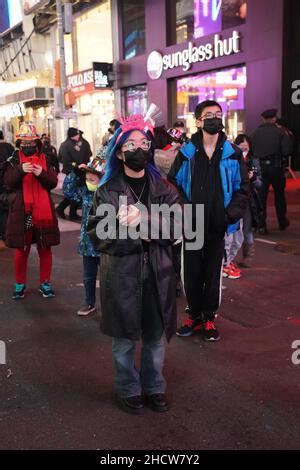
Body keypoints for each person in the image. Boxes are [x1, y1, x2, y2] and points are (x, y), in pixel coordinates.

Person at [87, 113, 179, 414]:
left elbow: (179, 226)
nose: (138, 148)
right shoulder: (106, 190)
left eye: (143, 143)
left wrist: (144, 220)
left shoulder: (164, 188)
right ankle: (128, 388)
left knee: (155, 337)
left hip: (159, 274)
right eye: (130, 144)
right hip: (122, 277)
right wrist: (126, 228)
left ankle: (154, 386)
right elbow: (97, 236)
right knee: (124, 340)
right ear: (119, 150)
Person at [168, 100, 249, 341]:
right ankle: (193, 315)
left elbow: (242, 188)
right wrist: (184, 210)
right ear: (198, 121)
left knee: (213, 274)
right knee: (191, 272)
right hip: (192, 225)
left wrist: (229, 216)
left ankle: (209, 318)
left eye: (218, 114)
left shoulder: (233, 153)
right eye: (208, 115)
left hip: (218, 224)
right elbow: (172, 184)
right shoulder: (186, 153)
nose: (214, 118)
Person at [2, 123, 60, 300]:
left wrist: (41, 172)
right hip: (23, 212)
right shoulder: (13, 161)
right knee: (22, 249)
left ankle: (45, 283)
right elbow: (8, 182)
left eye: (31, 144)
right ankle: (20, 284)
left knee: (45, 248)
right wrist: (20, 170)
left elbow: (52, 182)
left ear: (37, 144)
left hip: (43, 213)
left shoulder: (45, 159)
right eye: (24, 144)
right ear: (19, 144)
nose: (28, 147)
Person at [63, 157, 105, 316]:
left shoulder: (109, 192)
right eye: (87, 179)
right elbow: (68, 190)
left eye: (92, 179)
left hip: (105, 244)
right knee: (88, 276)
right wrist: (74, 173)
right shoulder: (85, 192)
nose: (89, 182)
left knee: (109, 279)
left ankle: (111, 306)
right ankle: (89, 303)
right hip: (87, 243)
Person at [153, 126, 184, 296]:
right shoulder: (167, 157)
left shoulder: (151, 157)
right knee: (176, 244)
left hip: (156, 205)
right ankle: (176, 281)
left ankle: (166, 281)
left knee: (163, 245)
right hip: (173, 203)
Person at [251, 109, 293, 233]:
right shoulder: (281, 132)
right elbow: (287, 151)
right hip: (276, 167)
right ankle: (282, 222)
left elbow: (252, 151)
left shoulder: (255, 133)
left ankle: (262, 225)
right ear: (274, 118)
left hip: (260, 168)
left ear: (263, 119)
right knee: (279, 195)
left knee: (261, 197)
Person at [234, 134, 263, 268]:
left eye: (246, 144)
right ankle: (229, 259)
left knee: (247, 229)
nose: (244, 146)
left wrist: (253, 178)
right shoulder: (232, 159)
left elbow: (259, 184)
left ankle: (248, 258)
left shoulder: (254, 160)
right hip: (234, 198)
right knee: (232, 229)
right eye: (241, 144)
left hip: (248, 199)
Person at [56, 127, 89, 221]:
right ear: (72, 135)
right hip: (75, 171)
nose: (79, 136)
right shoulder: (69, 145)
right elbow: (67, 160)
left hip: (76, 171)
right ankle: (64, 210)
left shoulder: (70, 144)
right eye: (77, 134)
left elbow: (60, 158)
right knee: (74, 192)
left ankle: (69, 212)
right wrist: (78, 165)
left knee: (75, 192)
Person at [0, 131, 14, 249]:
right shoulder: (10, 147)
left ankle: (3, 236)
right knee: (7, 210)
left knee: (3, 211)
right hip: (9, 183)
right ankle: (7, 236)